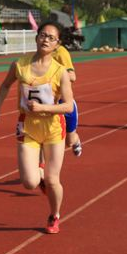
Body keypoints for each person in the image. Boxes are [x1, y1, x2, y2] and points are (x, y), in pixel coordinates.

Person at [0, 22, 74, 234]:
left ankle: (54, 215)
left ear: (57, 45)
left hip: (53, 128)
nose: (45, 40)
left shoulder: (60, 72)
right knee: (29, 182)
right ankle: (40, 175)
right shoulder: (20, 64)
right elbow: (6, 85)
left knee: (54, 180)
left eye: (51, 38)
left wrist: (44, 107)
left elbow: (68, 105)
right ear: (36, 38)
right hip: (27, 125)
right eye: (42, 35)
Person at [53, 24, 82, 156]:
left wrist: (53, 75)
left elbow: (72, 76)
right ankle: (41, 170)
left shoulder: (61, 52)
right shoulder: (41, 54)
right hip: (48, 103)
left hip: (64, 102)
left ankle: (76, 140)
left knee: (69, 141)